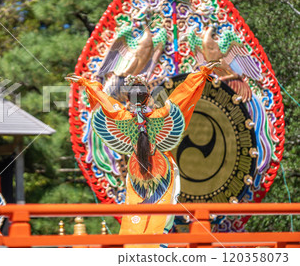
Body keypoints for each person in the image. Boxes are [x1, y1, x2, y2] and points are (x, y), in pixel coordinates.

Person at [66, 61, 220, 247]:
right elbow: (183, 96)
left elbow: (105, 103)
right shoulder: (162, 116)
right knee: (162, 210)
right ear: (148, 98)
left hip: (136, 169)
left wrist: (86, 83)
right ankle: (157, 247)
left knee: (136, 209)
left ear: (128, 100)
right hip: (162, 168)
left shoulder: (123, 119)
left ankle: (133, 247)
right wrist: (202, 74)